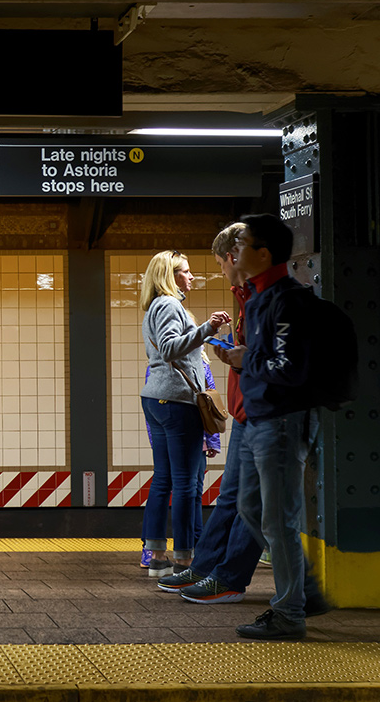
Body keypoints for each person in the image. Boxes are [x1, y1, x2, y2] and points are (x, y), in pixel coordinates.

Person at [218, 214, 324, 639]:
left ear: (262, 254)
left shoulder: (284, 300)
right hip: (259, 418)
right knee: (253, 509)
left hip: (280, 420)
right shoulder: (259, 296)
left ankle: (289, 613)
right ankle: (303, 590)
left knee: (277, 519)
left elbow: (288, 367)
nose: (234, 252)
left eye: (241, 245)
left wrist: (246, 360)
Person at [158, 223, 264, 602]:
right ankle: (206, 569)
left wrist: (243, 359)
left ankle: (230, 578)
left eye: (219, 263)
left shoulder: (264, 298)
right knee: (231, 497)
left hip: (262, 413)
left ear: (234, 257)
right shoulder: (246, 296)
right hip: (246, 411)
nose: (218, 270)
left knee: (251, 504)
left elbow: (283, 359)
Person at [139, 250, 231, 577]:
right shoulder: (167, 305)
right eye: (186, 271)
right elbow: (169, 348)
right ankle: (185, 559)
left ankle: (156, 556)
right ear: (169, 275)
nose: (192, 277)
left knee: (165, 478)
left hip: (159, 400)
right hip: (176, 401)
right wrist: (208, 328)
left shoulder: (157, 305)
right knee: (186, 484)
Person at [139, 354, 220, 571]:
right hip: (193, 431)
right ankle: (188, 555)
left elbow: (151, 402)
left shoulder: (155, 364)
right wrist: (212, 440)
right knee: (190, 489)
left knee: (161, 482)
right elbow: (209, 397)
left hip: (163, 430)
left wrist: (155, 441)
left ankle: (153, 553)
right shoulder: (198, 362)